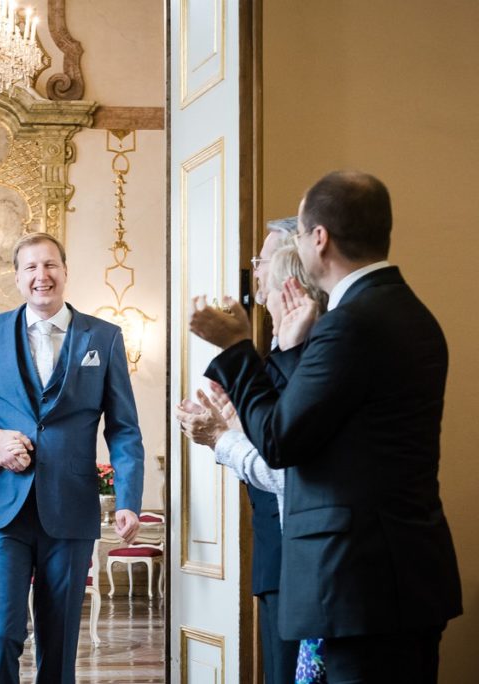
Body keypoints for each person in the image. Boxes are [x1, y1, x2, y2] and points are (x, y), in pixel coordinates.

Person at [189, 170, 462, 682]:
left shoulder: (352, 324)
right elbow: (328, 430)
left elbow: (279, 441)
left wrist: (234, 348)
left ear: (320, 238)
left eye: (298, 232)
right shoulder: (409, 312)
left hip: (359, 584)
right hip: (405, 576)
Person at [0, 233, 145, 684]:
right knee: (2, 631)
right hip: (3, 509)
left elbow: (123, 427)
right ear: (17, 277)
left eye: (50, 266)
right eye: (30, 268)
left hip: (70, 506)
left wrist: (128, 499)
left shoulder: (103, 337)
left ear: (65, 272)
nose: (40, 276)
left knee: (60, 637)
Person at [177, 235, 328, 683]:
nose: (255, 277)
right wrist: (238, 424)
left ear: (293, 294)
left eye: (262, 265)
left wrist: (222, 438)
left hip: (305, 555)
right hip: (281, 552)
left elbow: (288, 471)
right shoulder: (289, 357)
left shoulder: (309, 363)